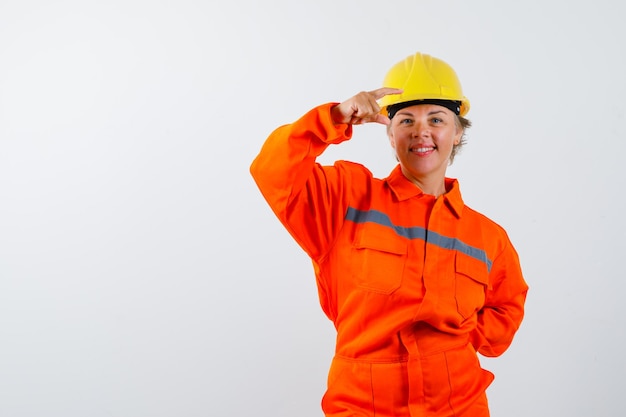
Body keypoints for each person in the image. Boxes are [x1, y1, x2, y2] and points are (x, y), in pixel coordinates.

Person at [249, 52, 528, 417]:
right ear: (390, 133)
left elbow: (507, 311)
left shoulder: (488, 238)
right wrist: (333, 118)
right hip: (364, 406)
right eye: (406, 119)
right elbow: (273, 170)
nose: (421, 131)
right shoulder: (346, 199)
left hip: (459, 405)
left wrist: (454, 340)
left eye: (437, 119)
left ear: (458, 132)